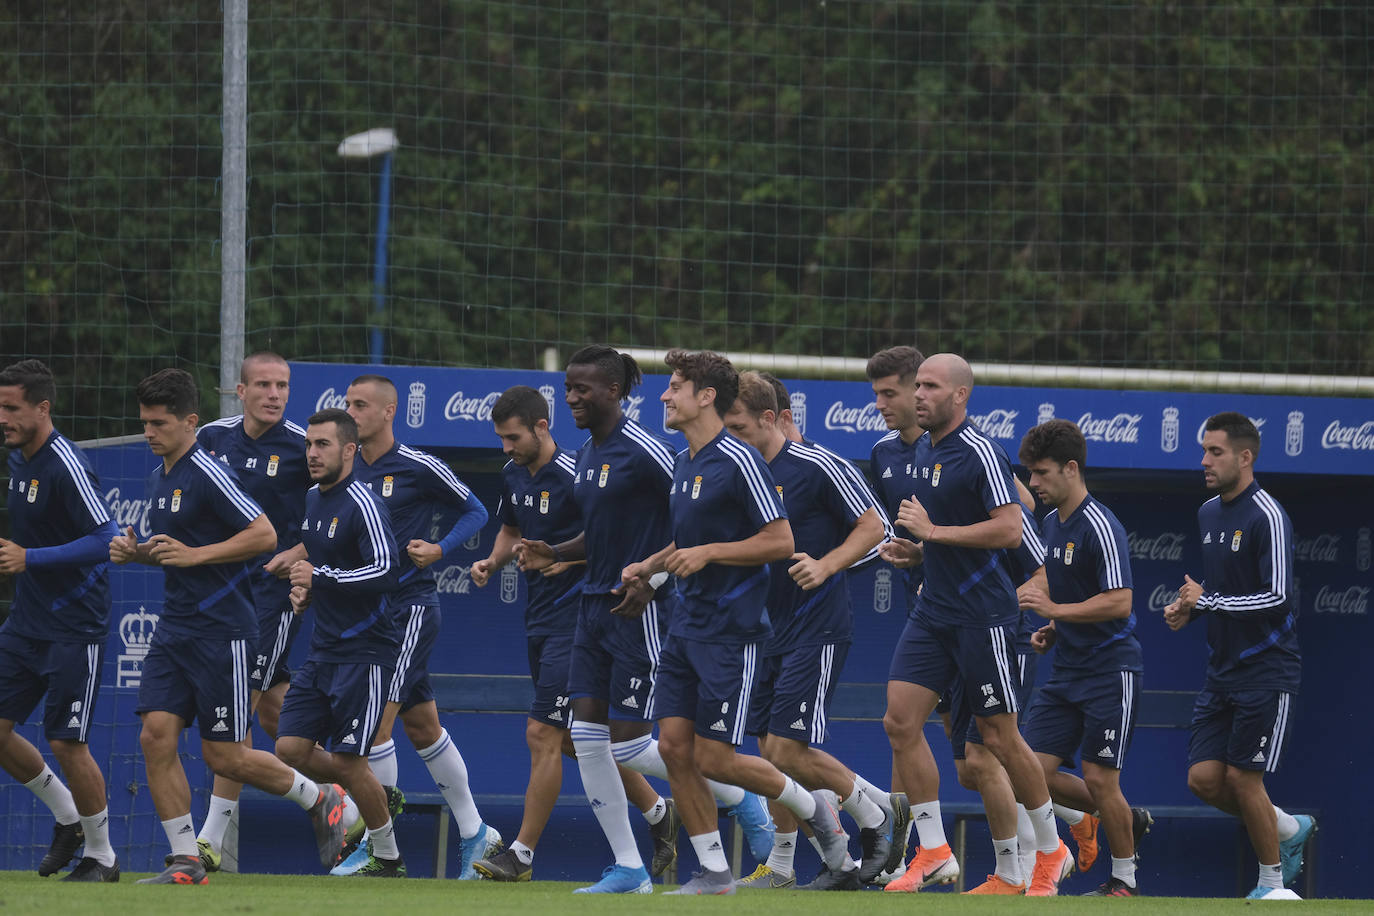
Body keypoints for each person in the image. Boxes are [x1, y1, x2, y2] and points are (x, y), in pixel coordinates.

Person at [519, 346, 773, 894]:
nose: (571, 397)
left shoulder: (654, 451)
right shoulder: (587, 453)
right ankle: (630, 867)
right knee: (585, 738)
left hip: (646, 611)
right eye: (567, 387)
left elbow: (684, 526)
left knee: (638, 745)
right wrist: (557, 552)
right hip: (590, 604)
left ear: (612, 391)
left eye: (582, 388)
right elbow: (610, 534)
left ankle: (741, 797)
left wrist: (655, 578)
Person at [622, 349, 854, 896]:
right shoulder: (685, 461)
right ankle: (714, 872)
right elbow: (692, 537)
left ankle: (812, 806)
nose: (664, 395)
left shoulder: (741, 459)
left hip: (732, 632)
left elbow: (781, 540)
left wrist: (708, 555)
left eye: (675, 385)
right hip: (685, 627)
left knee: (715, 757)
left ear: (706, 396)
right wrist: (652, 565)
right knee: (676, 749)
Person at [109, 369, 348, 885]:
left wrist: (194, 555)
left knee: (226, 754)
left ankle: (321, 795)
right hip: (175, 628)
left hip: (223, 631)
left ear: (190, 422)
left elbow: (262, 533)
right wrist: (139, 553)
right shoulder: (161, 475)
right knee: (155, 736)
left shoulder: (209, 471)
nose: (149, 432)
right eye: (144, 423)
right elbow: (177, 552)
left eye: (159, 423)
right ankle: (186, 861)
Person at [882, 353, 1074, 896]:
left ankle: (1050, 848)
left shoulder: (982, 451)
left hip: (983, 617)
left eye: (931, 386)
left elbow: (1011, 529)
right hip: (932, 610)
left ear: (960, 395)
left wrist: (934, 533)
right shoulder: (922, 448)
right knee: (899, 722)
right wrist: (918, 552)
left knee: (998, 739)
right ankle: (936, 850)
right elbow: (940, 535)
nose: (919, 394)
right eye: (916, 385)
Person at [470, 385, 678, 882]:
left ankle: (520, 853)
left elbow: (612, 539)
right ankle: (659, 812)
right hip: (538, 620)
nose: (506, 448)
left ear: (542, 427)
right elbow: (512, 527)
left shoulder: (579, 472)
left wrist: (564, 556)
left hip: (578, 617)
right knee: (574, 741)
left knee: (542, 733)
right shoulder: (511, 473)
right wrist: (494, 559)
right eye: (500, 439)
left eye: (513, 437)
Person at [723, 371, 907, 891]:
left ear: (768, 418)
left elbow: (876, 527)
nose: (730, 437)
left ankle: (876, 818)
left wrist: (826, 565)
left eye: (738, 426)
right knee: (769, 756)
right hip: (763, 630)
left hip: (817, 626)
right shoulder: (738, 472)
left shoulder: (818, 464)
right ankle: (783, 867)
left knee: (785, 751)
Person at [332, 375, 499, 878]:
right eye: (347, 404)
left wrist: (440, 548)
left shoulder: (418, 465)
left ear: (389, 411)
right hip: (366, 615)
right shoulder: (344, 467)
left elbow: (476, 509)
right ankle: (477, 836)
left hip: (410, 608)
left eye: (360, 405)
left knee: (375, 727)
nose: (352, 413)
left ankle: (381, 849)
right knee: (423, 726)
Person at [194, 352, 346, 869]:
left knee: (233, 715)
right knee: (275, 718)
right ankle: (350, 799)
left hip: (268, 599)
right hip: (216, 597)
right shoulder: (212, 439)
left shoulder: (303, 448)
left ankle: (213, 840)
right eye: (263, 385)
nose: (274, 394)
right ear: (241, 392)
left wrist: (300, 554)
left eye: (282, 385)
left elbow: (335, 515)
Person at [1165, 412, 1314, 901]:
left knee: (1243, 779)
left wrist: (1205, 602)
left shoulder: (1266, 514)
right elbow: (1226, 592)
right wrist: (1191, 607)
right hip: (1221, 672)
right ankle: (1288, 827)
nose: (1204, 461)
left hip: (1267, 669)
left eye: (1216, 452)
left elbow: (1276, 598)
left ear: (1245, 457)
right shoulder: (1208, 512)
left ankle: (1273, 887)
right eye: (1204, 451)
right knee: (1204, 781)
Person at [1017, 418, 1150, 896]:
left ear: (1071, 469)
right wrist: (1055, 627)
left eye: (1042, 472)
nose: (1034, 483)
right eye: (1030, 473)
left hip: (1110, 671)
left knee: (1099, 776)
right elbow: (1074, 593)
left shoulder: (1100, 523)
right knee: (1029, 771)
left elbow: (1119, 600)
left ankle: (1124, 881)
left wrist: (1054, 609)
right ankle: (1114, 818)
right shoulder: (1052, 523)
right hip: (1067, 669)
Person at [0, 359, 121, 881]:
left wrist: (31, 558)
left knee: (68, 742)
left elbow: (106, 538)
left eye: (11, 408)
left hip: (74, 626)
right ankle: (68, 817)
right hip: (25, 624)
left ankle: (102, 856)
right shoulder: (16, 458)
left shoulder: (65, 463)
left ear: (42, 409)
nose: (2, 416)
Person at [275, 408, 406, 877]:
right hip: (322, 651)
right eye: (309, 444)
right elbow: (323, 570)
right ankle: (367, 791)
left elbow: (386, 571)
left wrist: (320, 577)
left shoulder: (364, 503)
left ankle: (386, 856)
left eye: (323, 445)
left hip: (364, 652)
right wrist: (306, 591)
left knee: (350, 761)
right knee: (288, 749)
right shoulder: (312, 499)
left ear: (349, 450)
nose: (312, 453)